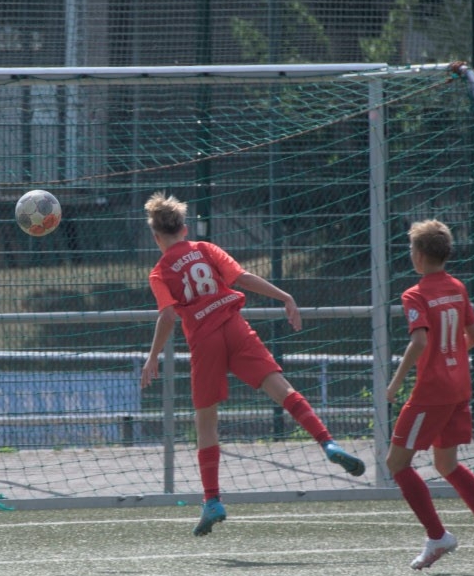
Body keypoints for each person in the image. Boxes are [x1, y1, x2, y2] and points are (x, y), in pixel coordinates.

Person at [139, 192, 365, 537]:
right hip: (234, 326)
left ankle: (212, 499)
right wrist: (285, 296)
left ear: (156, 237)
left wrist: (153, 356)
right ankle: (327, 443)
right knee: (282, 389)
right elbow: (242, 277)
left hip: (205, 341)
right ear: (184, 229)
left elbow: (168, 316)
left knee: (206, 422)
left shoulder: (159, 272)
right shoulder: (205, 249)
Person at [386, 219, 474, 573]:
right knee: (446, 464)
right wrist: (451, 356)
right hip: (459, 386)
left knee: (396, 463)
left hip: (431, 392)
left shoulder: (414, 294)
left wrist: (395, 383)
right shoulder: (457, 287)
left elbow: (419, 341)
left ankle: (438, 536)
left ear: (419, 254)